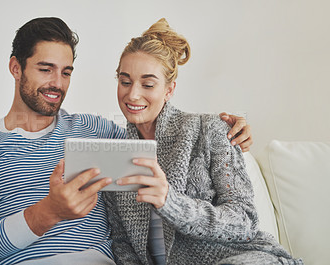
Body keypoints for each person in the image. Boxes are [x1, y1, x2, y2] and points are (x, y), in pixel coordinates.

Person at [0, 17, 252, 265]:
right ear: (16, 68)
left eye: (66, 72)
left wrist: (226, 133)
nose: (57, 84)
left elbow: (159, 143)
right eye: (45, 69)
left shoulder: (95, 130)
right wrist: (49, 211)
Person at [103, 18, 304, 265]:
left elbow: (245, 220)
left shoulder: (212, 130)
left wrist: (171, 202)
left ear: (169, 90)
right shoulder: (116, 155)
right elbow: (123, 244)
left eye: (148, 84)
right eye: (125, 81)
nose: (133, 94)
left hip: (243, 258)